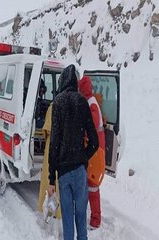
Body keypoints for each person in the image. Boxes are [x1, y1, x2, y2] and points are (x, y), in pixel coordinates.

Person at [48, 65, 98, 240]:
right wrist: (83, 158)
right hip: (79, 171)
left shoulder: (58, 103)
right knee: (81, 217)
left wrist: (51, 178)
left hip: (63, 173)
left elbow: (54, 142)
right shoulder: (82, 102)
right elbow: (95, 141)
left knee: (68, 220)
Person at [78, 75, 106, 229]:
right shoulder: (89, 100)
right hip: (94, 148)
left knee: (92, 185)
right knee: (88, 183)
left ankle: (95, 220)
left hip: (96, 150)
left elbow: (92, 123)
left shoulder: (91, 102)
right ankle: (92, 216)